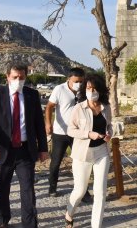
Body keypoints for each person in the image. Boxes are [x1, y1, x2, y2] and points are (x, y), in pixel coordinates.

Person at [0, 64, 48, 228]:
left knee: (28, 189)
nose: (18, 80)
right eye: (15, 77)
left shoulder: (32, 95)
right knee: (2, 188)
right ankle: (3, 221)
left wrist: (43, 149)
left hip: (25, 150)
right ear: (7, 77)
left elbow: (39, 123)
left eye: (22, 77)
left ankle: (30, 223)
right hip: (2, 150)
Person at [64, 74, 113, 228]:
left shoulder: (106, 107)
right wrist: (88, 134)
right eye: (88, 88)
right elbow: (70, 130)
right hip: (82, 154)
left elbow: (109, 125)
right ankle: (69, 213)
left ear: (100, 90)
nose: (91, 91)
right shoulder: (79, 108)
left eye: (94, 88)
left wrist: (109, 134)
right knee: (80, 190)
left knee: (100, 192)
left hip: (102, 152)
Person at [45, 68, 91, 199]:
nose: (79, 84)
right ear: (69, 79)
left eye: (81, 81)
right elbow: (49, 107)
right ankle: (52, 187)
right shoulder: (59, 89)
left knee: (81, 162)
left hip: (78, 133)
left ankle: (84, 191)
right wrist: (48, 123)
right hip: (60, 133)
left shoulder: (84, 91)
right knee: (56, 162)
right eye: (76, 81)